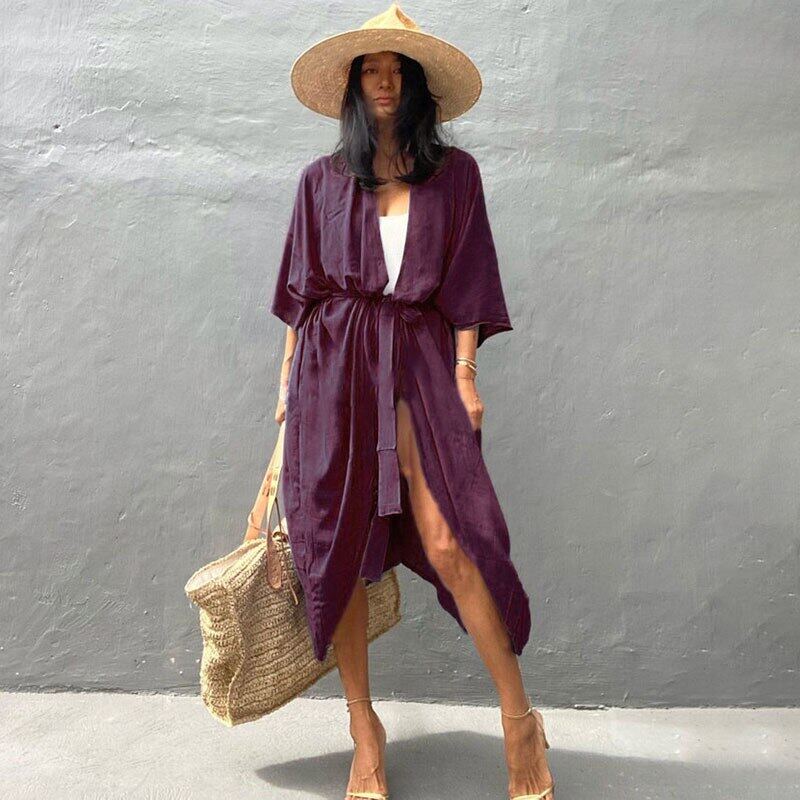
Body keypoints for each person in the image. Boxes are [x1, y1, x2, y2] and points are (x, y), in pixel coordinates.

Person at [270, 5, 554, 799]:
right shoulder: (320, 181)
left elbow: (469, 281)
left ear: (418, 84)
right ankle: (363, 730)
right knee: (341, 546)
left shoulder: (455, 176)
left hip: (420, 366)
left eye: (398, 68)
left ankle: (519, 720)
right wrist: (287, 395)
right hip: (332, 372)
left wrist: (465, 374)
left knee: (453, 540)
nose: (385, 81)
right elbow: (301, 296)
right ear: (354, 85)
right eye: (371, 68)